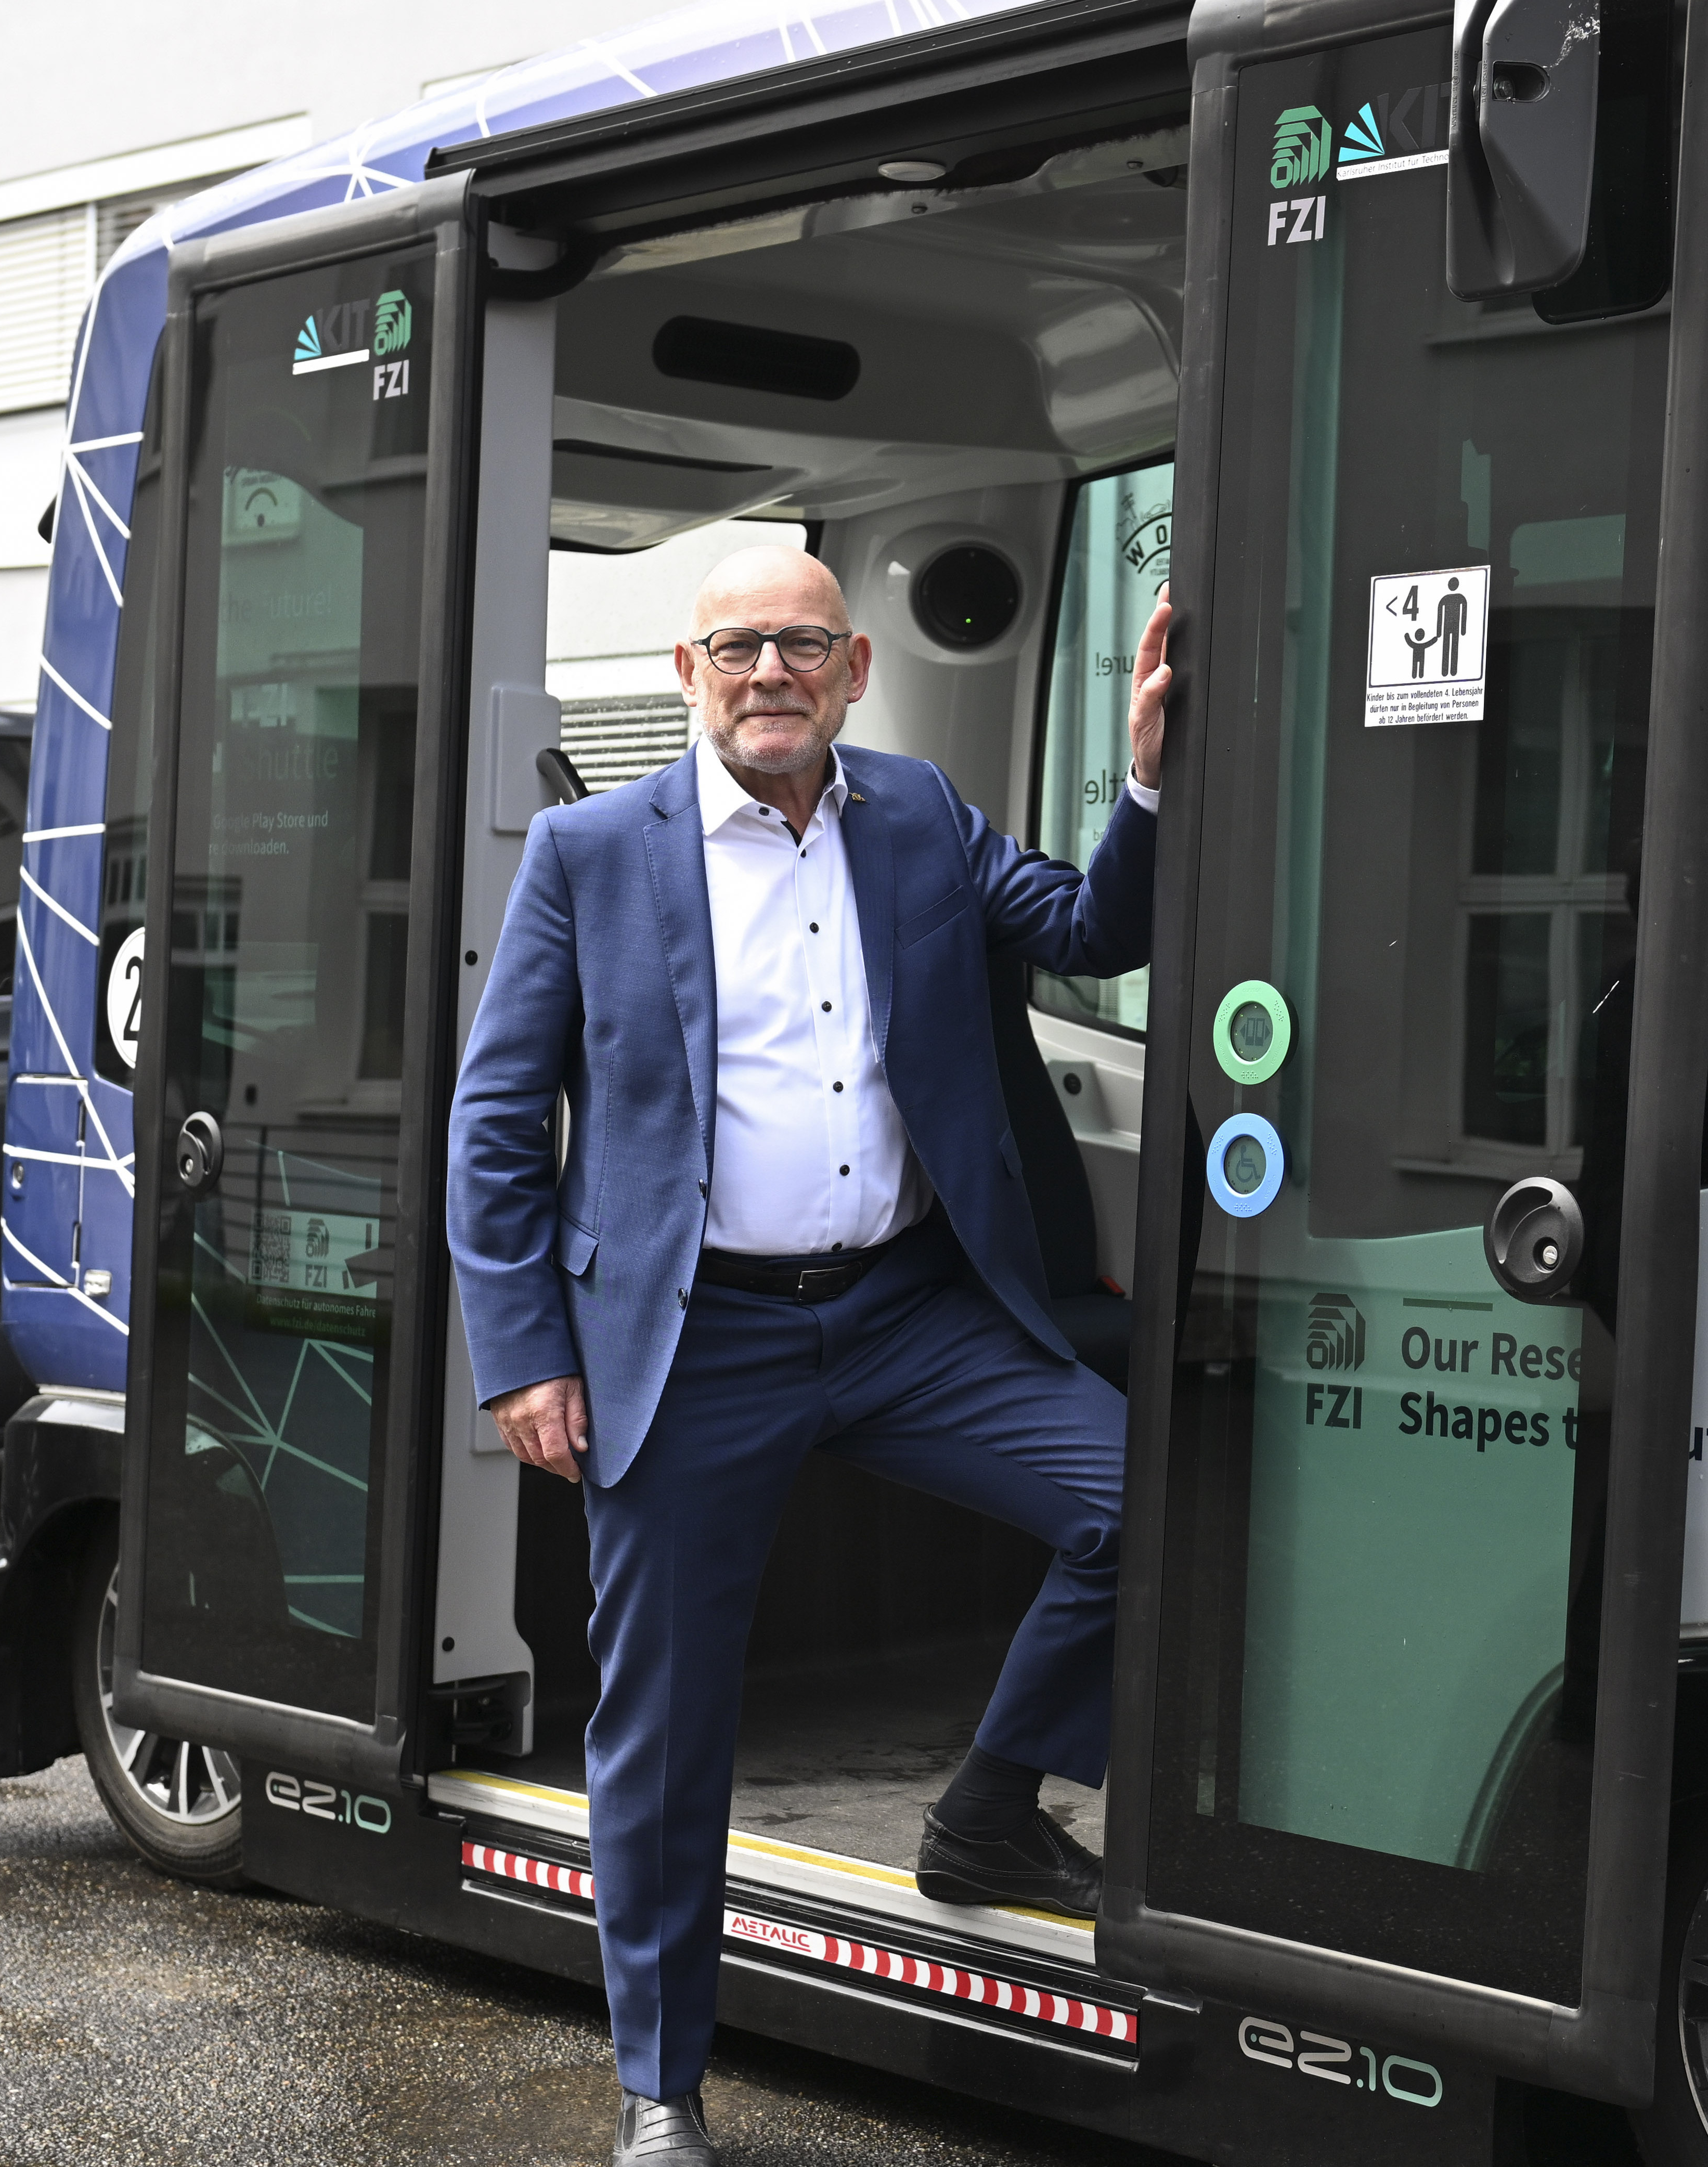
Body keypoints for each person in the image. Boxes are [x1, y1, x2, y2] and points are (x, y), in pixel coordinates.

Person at [444, 544, 1172, 2167]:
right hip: (689, 1335)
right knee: (668, 1720)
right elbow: (497, 1121)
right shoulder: (589, 853)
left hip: (910, 1311)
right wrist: (523, 1355)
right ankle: (660, 2090)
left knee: (1147, 1504)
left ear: (853, 673)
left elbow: (1093, 930)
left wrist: (1141, 781)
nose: (769, 673)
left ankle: (985, 1812)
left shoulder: (913, 813)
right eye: (736, 648)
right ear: (686, 678)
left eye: (803, 648)